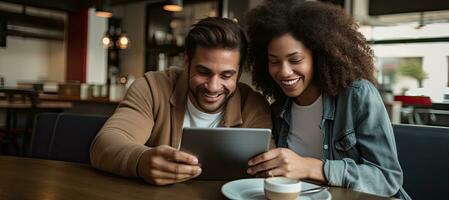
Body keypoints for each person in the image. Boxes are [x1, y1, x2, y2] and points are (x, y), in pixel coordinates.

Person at [245, 1, 410, 199]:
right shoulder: (278, 110)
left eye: (295, 60)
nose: (284, 71)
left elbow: (387, 179)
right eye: (274, 61)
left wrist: (312, 168)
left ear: (319, 56)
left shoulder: (357, 96)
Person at [90, 17, 271, 186]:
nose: (213, 86)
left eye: (226, 75)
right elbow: (104, 144)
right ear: (186, 62)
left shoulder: (253, 105)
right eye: (203, 72)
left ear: (238, 73)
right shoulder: (152, 87)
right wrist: (140, 161)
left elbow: (266, 166)